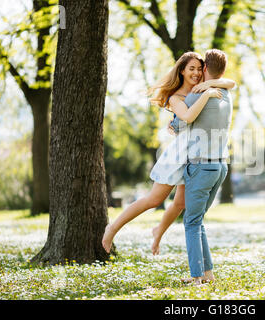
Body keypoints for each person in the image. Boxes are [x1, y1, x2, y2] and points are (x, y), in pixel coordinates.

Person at [101, 51, 235, 254]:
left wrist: (208, 86)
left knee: (180, 203)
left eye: (200, 69)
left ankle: (158, 232)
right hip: (179, 155)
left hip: (194, 156)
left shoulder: (205, 87)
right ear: (181, 71)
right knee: (154, 199)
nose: (197, 73)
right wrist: (206, 93)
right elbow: (188, 117)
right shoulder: (176, 97)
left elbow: (231, 82)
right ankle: (112, 228)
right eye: (191, 69)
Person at [178, 49, 233, 285]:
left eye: (200, 69)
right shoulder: (227, 95)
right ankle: (208, 274)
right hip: (220, 166)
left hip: (201, 167)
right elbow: (231, 83)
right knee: (198, 220)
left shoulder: (197, 95)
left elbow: (178, 123)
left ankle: (196, 277)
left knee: (190, 222)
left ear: (205, 69)